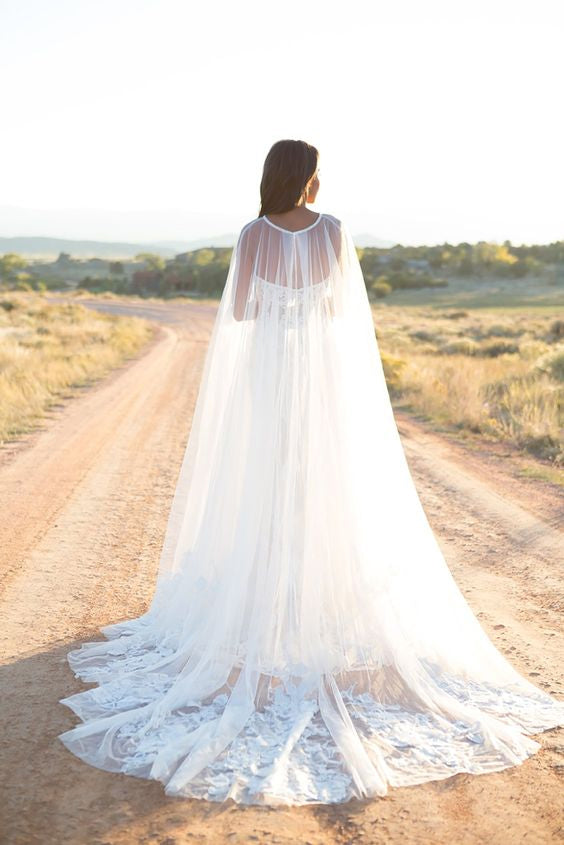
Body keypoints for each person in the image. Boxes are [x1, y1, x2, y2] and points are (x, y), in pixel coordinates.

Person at [58, 139, 564, 806]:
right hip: (321, 376)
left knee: (269, 487)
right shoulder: (333, 233)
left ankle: (270, 599)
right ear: (311, 178)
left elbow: (239, 313)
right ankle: (315, 600)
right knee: (327, 489)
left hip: (271, 371)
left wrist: (277, 304)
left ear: (273, 177)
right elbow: (339, 313)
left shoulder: (253, 235)